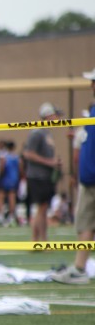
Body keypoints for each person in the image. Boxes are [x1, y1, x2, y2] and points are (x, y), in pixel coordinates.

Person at [51, 66, 95, 285]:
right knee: (85, 225)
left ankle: (79, 269)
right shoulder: (92, 111)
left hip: (91, 177)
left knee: (85, 223)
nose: (91, 86)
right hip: (88, 179)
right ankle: (79, 269)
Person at [22, 102, 63, 242]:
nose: (57, 118)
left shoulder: (46, 133)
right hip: (37, 176)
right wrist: (50, 162)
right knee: (41, 208)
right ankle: (39, 240)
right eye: (55, 115)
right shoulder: (37, 132)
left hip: (45, 176)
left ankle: (39, 240)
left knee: (43, 208)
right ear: (48, 116)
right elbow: (28, 153)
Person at [0, 140, 21, 227]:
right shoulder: (17, 157)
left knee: (0, 196)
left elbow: (2, 168)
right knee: (12, 198)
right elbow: (20, 169)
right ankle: (11, 217)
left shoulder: (4, 157)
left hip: (5, 179)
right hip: (14, 180)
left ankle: (1, 216)